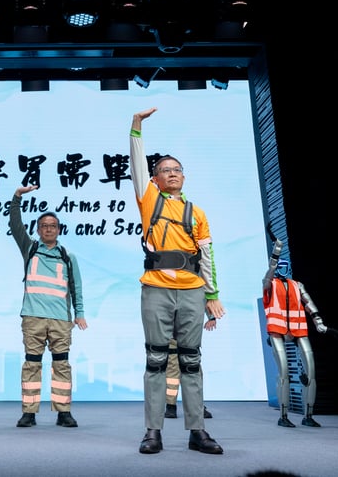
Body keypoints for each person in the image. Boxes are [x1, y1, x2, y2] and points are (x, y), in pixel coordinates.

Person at [129, 107, 225, 455]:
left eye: (176, 170)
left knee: (191, 361)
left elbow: (207, 256)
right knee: (156, 360)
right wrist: (136, 127)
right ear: (154, 179)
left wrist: (212, 294)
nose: (171, 174)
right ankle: (153, 432)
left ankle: (197, 431)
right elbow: (138, 165)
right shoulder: (149, 200)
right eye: (164, 170)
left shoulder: (197, 213)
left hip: (192, 292)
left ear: (184, 177)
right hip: (156, 288)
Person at [8, 184, 87, 429]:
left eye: (53, 226)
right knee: (32, 364)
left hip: (61, 319)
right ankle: (29, 412)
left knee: (61, 364)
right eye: (44, 226)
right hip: (32, 317)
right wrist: (17, 197)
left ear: (58, 229)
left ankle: (63, 412)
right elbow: (14, 225)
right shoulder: (30, 248)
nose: (49, 229)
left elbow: (76, 287)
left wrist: (79, 314)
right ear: (39, 230)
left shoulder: (68, 256)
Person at [262, 234, 338, 428]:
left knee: (311, 371)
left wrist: (319, 323)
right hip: (277, 330)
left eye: (284, 266)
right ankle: (284, 415)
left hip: (299, 329)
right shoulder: (270, 284)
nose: (282, 269)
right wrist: (276, 251)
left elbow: (309, 304)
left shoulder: (297, 285)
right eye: (279, 266)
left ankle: (309, 414)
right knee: (284, 373)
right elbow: (269, 273)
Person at [165, 336, 214, 419]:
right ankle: (171, 406)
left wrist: (212, 321)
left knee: (193, 374)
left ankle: (197, 407)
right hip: (176, 340)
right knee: (173, 377)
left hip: (189, 339)